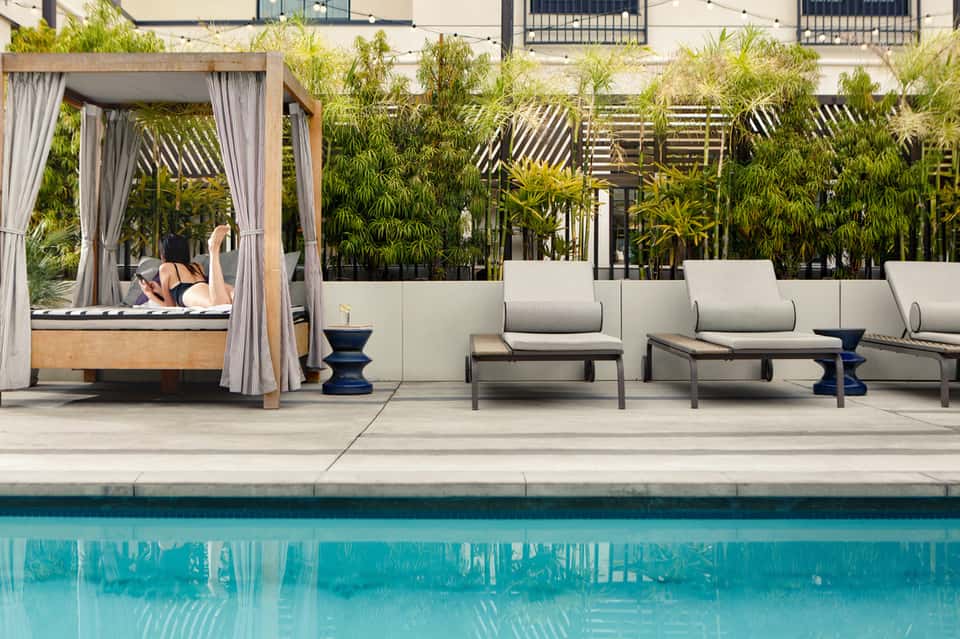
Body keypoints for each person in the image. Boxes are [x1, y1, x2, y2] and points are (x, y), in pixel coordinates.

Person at [139, 225, 234, 308]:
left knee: (218, 305)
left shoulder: (165, 267)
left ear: (164, 254)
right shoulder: (197, 266)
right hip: (206, 287)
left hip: (190, 291)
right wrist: (159, 291)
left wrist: (149, 294)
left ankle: (213, 250)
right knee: (232, 300)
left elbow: (170, 306)